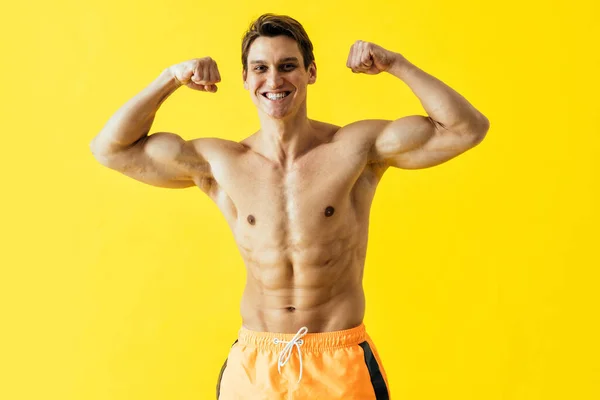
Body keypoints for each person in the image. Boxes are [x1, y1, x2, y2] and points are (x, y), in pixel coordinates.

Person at [90, 13, 489, 400]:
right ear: (245, 79)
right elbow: (110, 149)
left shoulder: (354, 150)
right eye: (260, 68)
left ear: (310, 72)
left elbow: (466, 128)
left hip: (339, 362)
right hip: (256, 366)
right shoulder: (221, 164)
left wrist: (396, 65)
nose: (274, 80)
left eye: (288, 66)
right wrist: (171, 78)